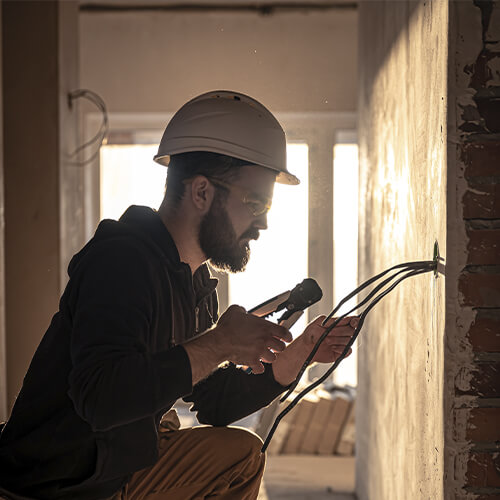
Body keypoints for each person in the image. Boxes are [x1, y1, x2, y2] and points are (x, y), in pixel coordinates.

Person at [0, 90, 357, 500]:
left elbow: (211, 403)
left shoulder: (196, 286)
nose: (262, 224)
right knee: (237, 459)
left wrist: (298, 355)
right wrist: (219, 342)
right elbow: (99, 397)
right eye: (255, 203)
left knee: (237, 453)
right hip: (57, 483)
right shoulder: (121, 261)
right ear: (201, 192)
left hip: (115, 468)